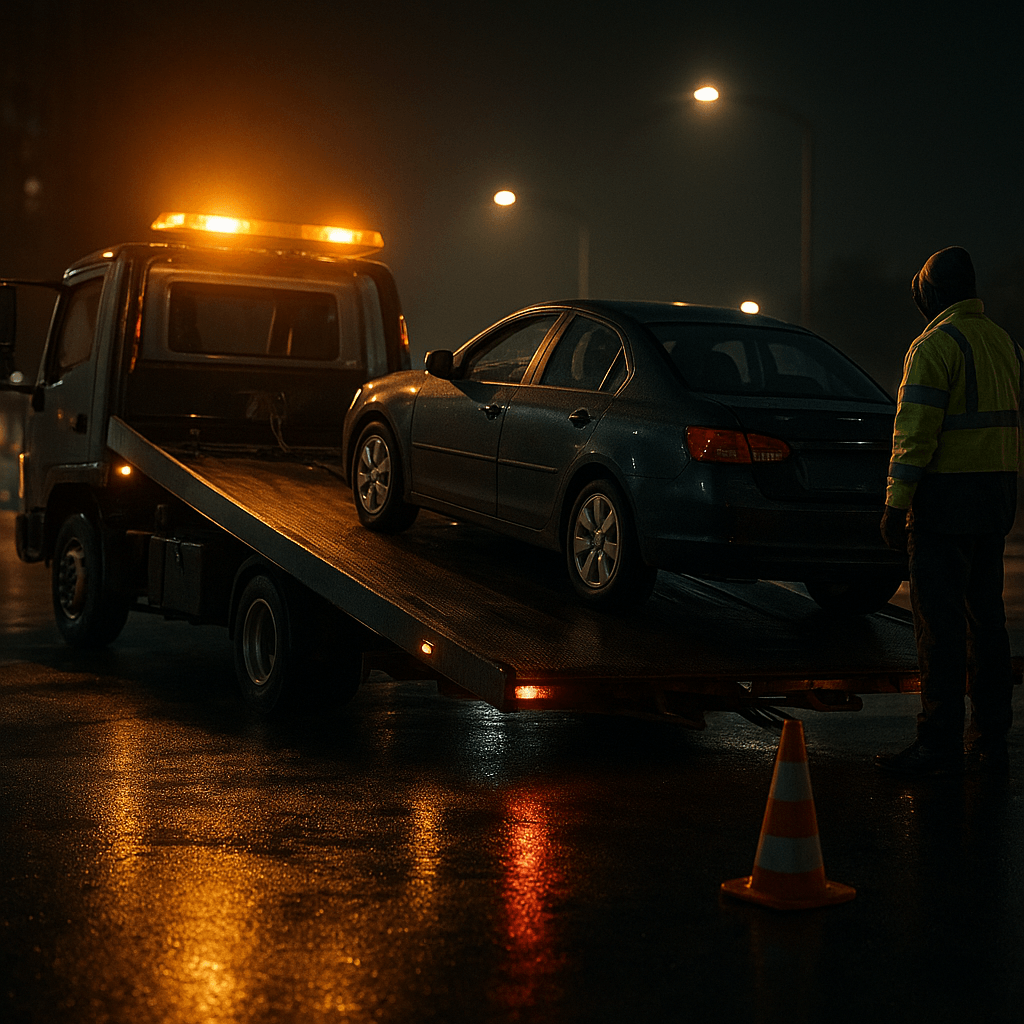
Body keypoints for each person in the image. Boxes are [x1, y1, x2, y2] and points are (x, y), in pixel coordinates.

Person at [875, 246, 1021, 777]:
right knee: (987, 623)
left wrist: (896, 507)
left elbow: (913, 437)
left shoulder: (934, 346)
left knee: (939, 628)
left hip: (944, 506)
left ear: (932, 294)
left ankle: (937, 744)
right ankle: (991, 738)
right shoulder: (1004, 342)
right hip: (996, 500)